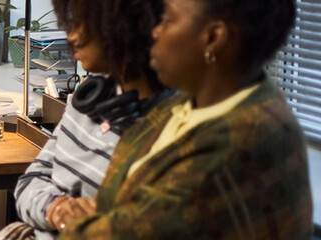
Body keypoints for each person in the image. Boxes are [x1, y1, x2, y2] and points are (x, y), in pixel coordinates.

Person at [60, 0, 313, 238]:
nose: (155, 32)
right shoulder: (193, 104)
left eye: (167, 20)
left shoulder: (233, 150)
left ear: (213, 38)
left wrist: (65, 216)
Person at [0, 0, 171, 239]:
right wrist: (55, 209)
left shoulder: (172, 125)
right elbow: (29, 182)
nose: (72, 36)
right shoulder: (87, 101)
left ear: (124, 26)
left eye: (84, 23)